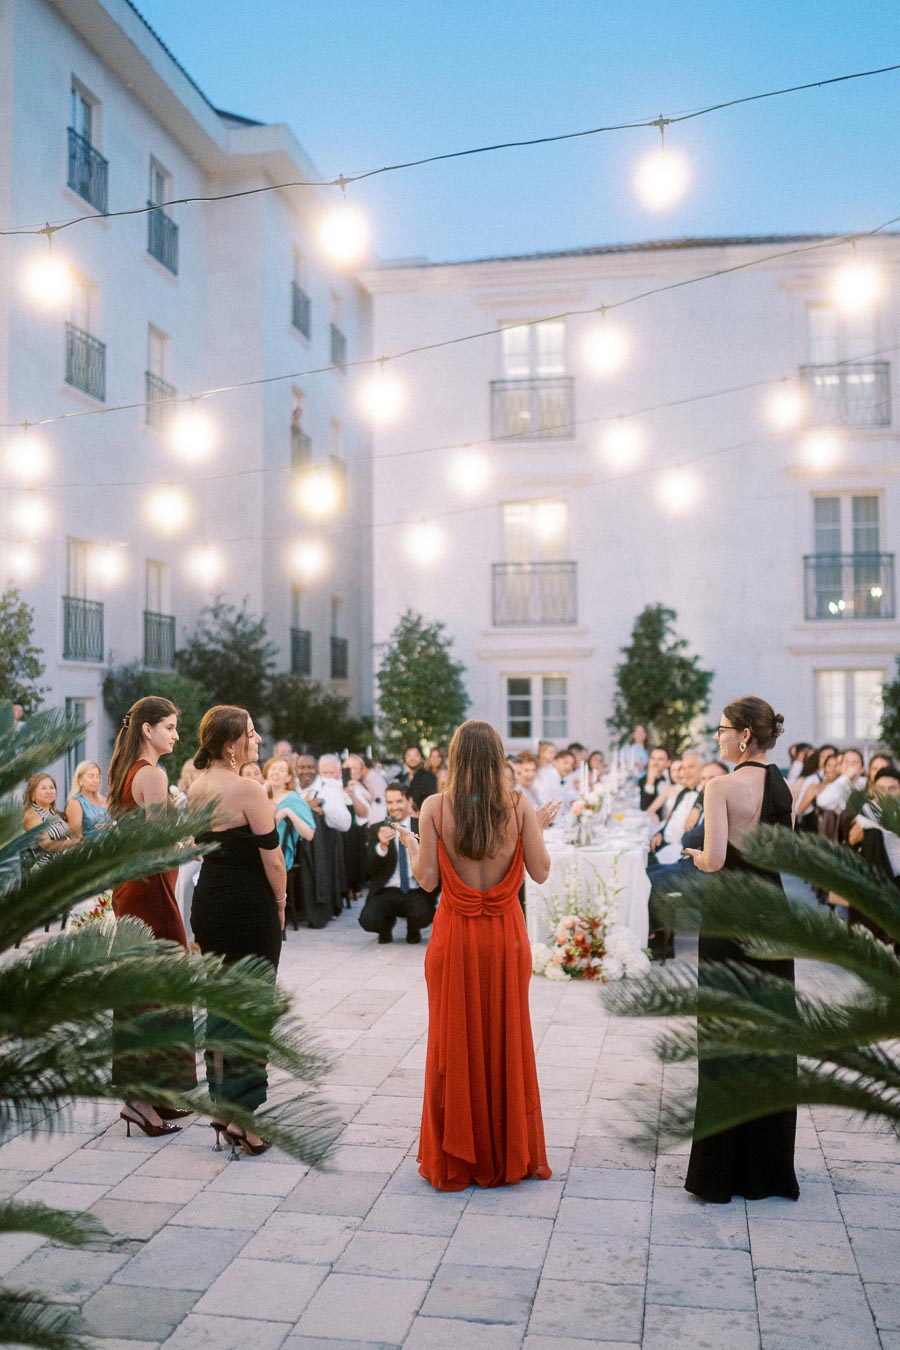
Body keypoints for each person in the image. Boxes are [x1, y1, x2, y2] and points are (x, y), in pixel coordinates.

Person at [403, 719, 556, 1191]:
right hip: (506, 939)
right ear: (497, 757)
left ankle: (459, 1154)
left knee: (454, 1041)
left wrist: (411, 846)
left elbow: (427, 880)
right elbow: (541, 872)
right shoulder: (518, 804)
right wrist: (538, 828)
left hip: (455, 937)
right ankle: (507, 1149)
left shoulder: (434, 807)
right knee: (507, 1038)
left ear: (454, 757)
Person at [682, 695, 799, 1204]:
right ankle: (768, 1171)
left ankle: (719, 1174)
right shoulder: (783, 786)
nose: (719, 737)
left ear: (745, 736)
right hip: (773, 918)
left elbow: (715, 858)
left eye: (724, 729)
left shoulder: (721, 785)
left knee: (726, 1037)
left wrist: (693, 856)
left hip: (730, 919)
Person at [189, 706, 287, 1157]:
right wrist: (282, 904)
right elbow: (273, 859)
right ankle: (245, 1121)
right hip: (248, 907)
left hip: (209, 903)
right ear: (232, 745)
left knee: (219, 1006)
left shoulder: (197, 784)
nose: (258, 740)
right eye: (252, 733)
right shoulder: (249, 788)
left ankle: (223, 1107)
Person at [107, 696, 193, 1139]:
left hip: (133, 887)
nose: (176, 735)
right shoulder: (153, 776)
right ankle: (141, 1101)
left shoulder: (125, 772)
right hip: (152, 890)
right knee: (158, 991)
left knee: (143, 989)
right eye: (171, 727)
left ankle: (152, 1095)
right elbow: (165, 840)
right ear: (148, 730)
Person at [359, 783, 438, 944]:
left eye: (398, 801)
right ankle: (385, 929)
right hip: (387, 890)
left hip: (415, 888)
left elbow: (434, 861)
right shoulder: (377, 828)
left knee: (422, 914)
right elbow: (369, 870)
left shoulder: (422, 826)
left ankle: (413, 929)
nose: (394, 807)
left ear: (409, 801)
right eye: (390, 802)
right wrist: (381, 846)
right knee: (368, 919)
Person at [649, 751, 703, 865]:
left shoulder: (705, 795)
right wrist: (660, 833)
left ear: (702, 769)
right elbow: (671, 819)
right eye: (684, 768)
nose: (686, 772)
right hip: (662, 844)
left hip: (680, 852)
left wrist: (698, 806)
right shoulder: (684, 792)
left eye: (691, 767)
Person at [23, 774, 76, 870]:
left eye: (52, 787)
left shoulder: (54, 813)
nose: (49, 791)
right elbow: (47, 845)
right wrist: (75, 842)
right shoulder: (32, 815)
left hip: (66, 865)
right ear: (32, 795)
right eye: (43, 788)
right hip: (46, 871)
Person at [343, 754, 373, 900]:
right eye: (348, 767)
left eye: (355, 768)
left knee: (358, 858)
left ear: (361, 771)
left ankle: (356, 886)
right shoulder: (340, 783)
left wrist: (353, 794)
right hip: (345, 826)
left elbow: (366, 808)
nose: (352, 771)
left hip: (359, 826)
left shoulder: (359, 786)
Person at [65, 762, 110, 839]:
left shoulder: (105, 800)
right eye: (91, 776)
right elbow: (76, 837)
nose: (95, 780)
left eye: (98, 776)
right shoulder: (75, 802)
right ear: (80, 779)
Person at [815, 748, 867, 813]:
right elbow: (821, 802)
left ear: (862, 769)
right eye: (846, 761)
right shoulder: (838, 784)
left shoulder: (867, 785)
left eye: (854, 762)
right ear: (841, 766)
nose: (849, 765)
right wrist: (845, 777)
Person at [402, 744, 438, 814]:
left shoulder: (429, 777)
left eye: (416, 755)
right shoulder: (402, 778)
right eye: (409, 756)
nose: (412, 758)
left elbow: (431, 802)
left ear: (421, 758)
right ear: (404, 758)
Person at [638, 747, 671, 812]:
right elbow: (644, 809)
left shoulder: (672, 779)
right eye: (653, 758)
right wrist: (650, 783)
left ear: (668, 763)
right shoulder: (642, 781)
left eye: (660, 759)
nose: (655, 763)